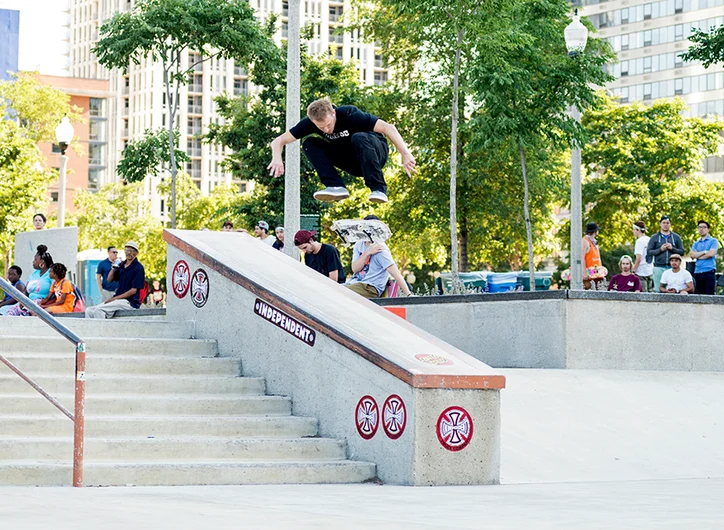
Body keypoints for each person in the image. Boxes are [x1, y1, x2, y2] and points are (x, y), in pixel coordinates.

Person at [268, 98, 416, 204]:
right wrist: (276, 158)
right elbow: (278, 141)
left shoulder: (350, 114)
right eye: (321, 128)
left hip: (374, 154)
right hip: (352, 161)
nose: (326, 130)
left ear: (333, 113)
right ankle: (335, 186)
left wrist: (405, 154)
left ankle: (378, 188)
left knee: (358, 137)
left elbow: (387, 128)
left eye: (328, 124)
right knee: (310, 143)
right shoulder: (309, 124)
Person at [345, 216, 412, 298]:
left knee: (342, 291)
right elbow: (355, 269)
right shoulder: (359, 244)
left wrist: (409, 294)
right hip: (355, 283)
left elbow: (396, 274)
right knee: (333, 289)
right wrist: (367, 253)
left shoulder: (381, 250)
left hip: (370, 287)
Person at [85, 241, 145, 319]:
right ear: (124, 251)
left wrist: (114, 298)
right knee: (88, 310)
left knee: (99, 310)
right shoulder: (122, 265)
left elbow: (133, 291)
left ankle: (101, 331)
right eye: (127, 250)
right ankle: (91, 331)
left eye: (132, 251)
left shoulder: (138, 267)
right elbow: (109, 280)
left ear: (136, 253)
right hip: (118, 300)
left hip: (129, 302)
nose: (129, 252)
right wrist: (113, 268)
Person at [3, 245, 53, 317]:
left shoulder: (51, 274)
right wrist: (22, 302)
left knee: (26, 313)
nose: (33, 262)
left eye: (35, 260)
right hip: (28, 302)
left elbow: (56, 292)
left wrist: (45, 304)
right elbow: (25, 291)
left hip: (41, 303)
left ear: (42, 262)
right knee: (9, 312)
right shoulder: (34, 273)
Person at [647, 216, 685, 291]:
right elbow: (649, 252)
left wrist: (672, 248)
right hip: (658, 267)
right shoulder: (654, 237)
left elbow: (682, 252)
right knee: (658, 290)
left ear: (670, 224)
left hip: (673, 268)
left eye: (667, 223)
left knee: (673, 289)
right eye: (663, 223)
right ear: (660, 224)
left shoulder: (676, 237)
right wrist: (660, 249)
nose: (665, 224)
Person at [689, 220, 719, 295]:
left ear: (708, 229)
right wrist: (704, 252)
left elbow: (711, 254)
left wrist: (698, 256)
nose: (701, 229)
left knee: (709, 296)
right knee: (698, 296)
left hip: (709, 271)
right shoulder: (696, 243)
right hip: (698, 271)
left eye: (704, 227)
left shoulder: (713, 241)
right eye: (700, 227)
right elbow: (692, 255)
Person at [632, 221, 654, 292]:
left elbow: (639, 258)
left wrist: (634, 270)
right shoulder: (649, 239)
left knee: (644, 294)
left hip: (641, 272)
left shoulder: (639, 241)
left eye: (634, 229)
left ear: (638, 230)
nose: (633, 231)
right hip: (650, 270)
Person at [582, 222, 605, 290]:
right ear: (595, 231)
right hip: (589, 275)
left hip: (596, 274)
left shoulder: (593, 241)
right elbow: (581, 258)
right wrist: (584, 274)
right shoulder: (585, 241)